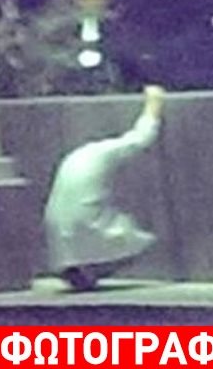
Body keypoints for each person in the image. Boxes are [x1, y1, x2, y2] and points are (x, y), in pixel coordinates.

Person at [44, 85, 165, 290]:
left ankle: (82, 266)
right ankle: (92, 266)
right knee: (135, 240)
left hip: (56, 227)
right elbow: (141, 138)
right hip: (85, 223)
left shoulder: (75, 156)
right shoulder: (104, 151)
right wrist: (154, 103)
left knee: (100, 229)